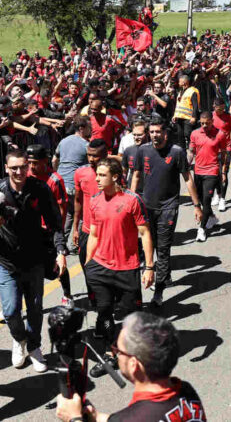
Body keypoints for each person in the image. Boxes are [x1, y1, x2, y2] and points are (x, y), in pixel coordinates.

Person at [0, 149, 66, 372]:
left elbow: (55, 223)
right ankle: (19, 340)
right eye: (14, 168)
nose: (19, 171)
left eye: (23, 167)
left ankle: (34, 347)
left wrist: (61, 251)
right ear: (6, 168)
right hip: (5, 261)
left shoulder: (40, 189)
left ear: (28, 167)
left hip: (34, 260)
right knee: (10, 311)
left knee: (35, 309)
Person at [56, 312, 206, 422]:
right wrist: (96, 417)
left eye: (118, 350)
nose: (115, 353)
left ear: (134, 365)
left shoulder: (134, 417)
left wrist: (74, 419)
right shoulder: (186, 391)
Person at [84, 158, 153, 377]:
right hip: (101, 267)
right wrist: (88, 265)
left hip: (127, 268)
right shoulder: (95, 200)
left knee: (131, 316)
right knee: (104, 312)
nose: (97, 178)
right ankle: (110, 354)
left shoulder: (132, 200)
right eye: (97, 174)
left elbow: (145, 233)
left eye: (102, 175)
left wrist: (149, 267)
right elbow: (93, 234)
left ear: (115, 177)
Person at [131, 117, 202, 306]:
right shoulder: (143, 150)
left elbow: (187, 178)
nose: (154, 135)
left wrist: (196, 205)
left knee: (162, 249)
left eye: (158, 132)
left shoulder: (177, 152)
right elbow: (136, 176)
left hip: (168, 208)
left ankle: (158, 293)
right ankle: (160, 275)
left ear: (165, 133)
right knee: (148, 246)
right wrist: (130, 201)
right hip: (146, 207)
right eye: (151, 132)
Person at [26, 144, 73, 306]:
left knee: (58, 263)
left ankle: (67, 295)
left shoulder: (55, 180)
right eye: (30, 162)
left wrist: (57, 232)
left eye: (36, 162)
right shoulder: (26, 175)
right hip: (31, 230)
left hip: (50, 231)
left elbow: (62, 208)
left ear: (45, 161)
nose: (32, 166)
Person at [53, 116, 91, 250]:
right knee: (79, 214)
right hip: (74, 185)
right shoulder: (86, 145)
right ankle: (75, 244)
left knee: (68, 213)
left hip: (61, 184)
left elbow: (54, 160)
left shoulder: (63, 141)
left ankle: (61, 244)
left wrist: (56, 174)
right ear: (81, 128)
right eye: (88, 127)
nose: (90, 130)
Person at [189, 112, 225, 242]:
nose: (204, 126)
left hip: (212, 171)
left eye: (207, 123)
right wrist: (187, 164)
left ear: (212, 121)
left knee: (207, 199)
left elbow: (224, 154)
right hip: (198, 171)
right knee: (199, 198)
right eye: (202, 123)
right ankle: (211, 217)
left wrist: (223, 172)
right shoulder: (194, 134)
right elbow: (191, 151)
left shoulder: (220, 134)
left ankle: (202, 229)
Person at [72, 139, 108, 269]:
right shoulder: (80, 173)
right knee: (87, 268)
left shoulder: (115, 174)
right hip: (87, 230)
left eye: (95, 155)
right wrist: (75, 228)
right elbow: (78, 201)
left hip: (108, 231)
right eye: (89, 155)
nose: (91, 159)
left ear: (105, 155)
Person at [211, 98, 231, 212]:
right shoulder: (210, 117)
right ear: (214, 106)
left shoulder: (229, 117)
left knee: (224, 173)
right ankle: (218, 194)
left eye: (222, 109)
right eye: (218, 109)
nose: (220, 112)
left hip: (226, 148)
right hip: (213, 149)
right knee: (215, 174)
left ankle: (222, 199)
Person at [172, 75, 200, 148]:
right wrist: (175, 115)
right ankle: (183, 153)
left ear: (184, 82)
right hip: (179, 118)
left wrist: (194, 117)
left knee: (188, 134)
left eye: (179, 81)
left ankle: (193, 150)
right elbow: (179, 105)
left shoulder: (192, 91)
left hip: (188, 118)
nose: (178, 83)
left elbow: (195, 106)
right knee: (180, 136)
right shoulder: (181, 91)